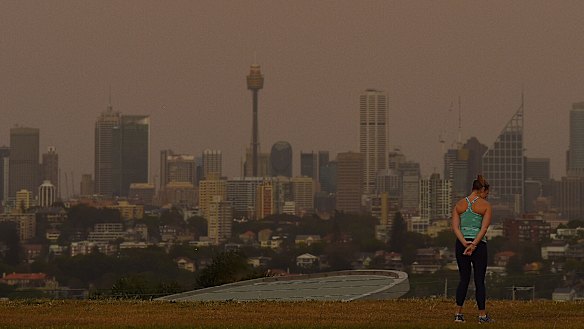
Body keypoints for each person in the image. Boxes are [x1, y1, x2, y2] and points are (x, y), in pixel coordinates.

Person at [451, 175, 494, 324]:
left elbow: (456, 228)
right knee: (479, 281)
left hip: (461, 245)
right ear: (482, 190)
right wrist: (474, 244)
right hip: (479, 245)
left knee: (463, 279)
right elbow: (484, 228)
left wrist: (465, 243)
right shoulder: (485, 206)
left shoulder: (459, 205)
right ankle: (482, 316)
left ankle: (458, 314)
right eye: (486, 193)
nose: (487, 197)